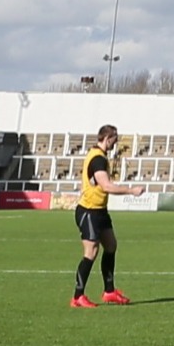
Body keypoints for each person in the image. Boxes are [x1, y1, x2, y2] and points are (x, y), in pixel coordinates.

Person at [71, 125, 126, 308]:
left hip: (100, 210)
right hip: (89, 211)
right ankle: (78, 296)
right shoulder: (97, 159)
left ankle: (109, 292)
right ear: (107, 138)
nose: (115, 144)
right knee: (91, 253)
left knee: (111, 245)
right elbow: (106, 186)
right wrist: (131, 191)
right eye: (114, 140)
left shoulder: (98, 156)